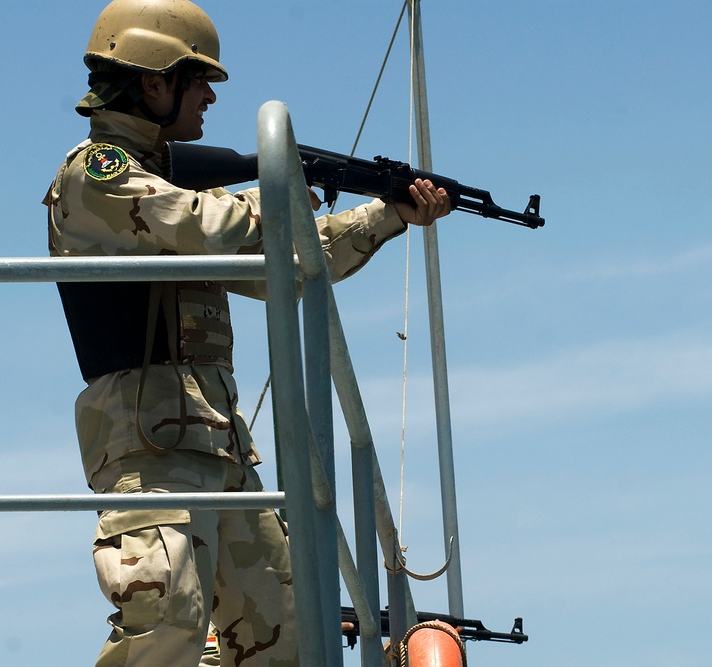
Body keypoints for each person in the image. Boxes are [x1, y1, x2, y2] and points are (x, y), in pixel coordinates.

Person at [43, 1, 450, 665]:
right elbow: (217, 227)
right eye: (195, 79)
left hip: (221, 450)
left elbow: (290, 266)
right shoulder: (96, 175)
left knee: (288, 633)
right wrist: (278, 189)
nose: (207, 95)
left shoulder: (170, 179)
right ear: (153, 82)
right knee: (165, 625)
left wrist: (388, 214)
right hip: (148, 450)